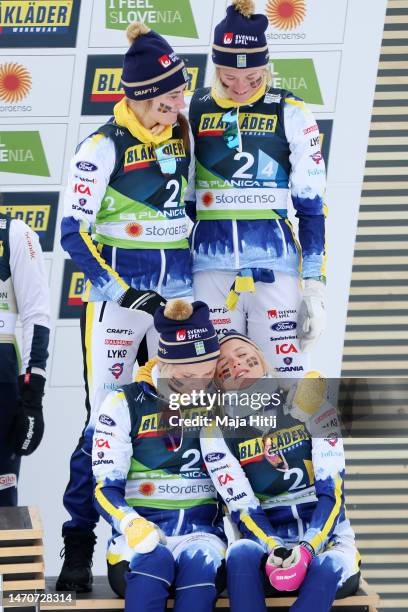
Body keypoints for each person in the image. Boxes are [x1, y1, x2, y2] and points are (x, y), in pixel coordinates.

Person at [57, 22, 193, 591]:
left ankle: (183, 534)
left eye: (182, 92)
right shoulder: (101, 146)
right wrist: (120, 290)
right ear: (139, 96)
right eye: (168, 97)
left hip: (179, 306)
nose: (179, 104)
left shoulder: (185, 135)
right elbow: (71, 233)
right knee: (105, 420)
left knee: (187, 412)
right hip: (120, 306)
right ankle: (78, 544)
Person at [186, 0, 327, 375]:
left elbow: (311, 206)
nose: (240, 87)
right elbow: (180, 198)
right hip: (209, 271)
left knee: (291, 383)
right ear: (215, 67)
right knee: (213, 384)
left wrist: (314, 285)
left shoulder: (291, 110)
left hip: (275, 268)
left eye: (253, 77)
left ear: (266, 67)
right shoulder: (193, 108)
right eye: (228, 76)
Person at [200, 331, 360, 612]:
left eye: (241, 353)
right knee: (239, 553)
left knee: (327, 566)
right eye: (223, 365)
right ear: (218, 384)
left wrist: (308, 548)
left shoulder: (310, 404)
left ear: (261, 359)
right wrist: (275, 547)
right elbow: (243, 509)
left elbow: (332, 493)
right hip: (269, 546)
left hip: (327, 540)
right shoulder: (216, 432)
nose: (234, 363)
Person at [92, 299, 225, 612]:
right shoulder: (123, 403)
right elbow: (103, 488)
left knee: (200, 566)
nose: (201, 383)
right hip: (139, 539)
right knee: (153, 559)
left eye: (209, 372)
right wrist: (131, 524)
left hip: (202, 538)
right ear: (167, 366)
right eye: (190, 376)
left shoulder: (222, 402)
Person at [0, 211, 50, 506]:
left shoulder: (15, 233)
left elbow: (37, 316)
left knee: (2, 504)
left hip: (2, 378)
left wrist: (32, 397)